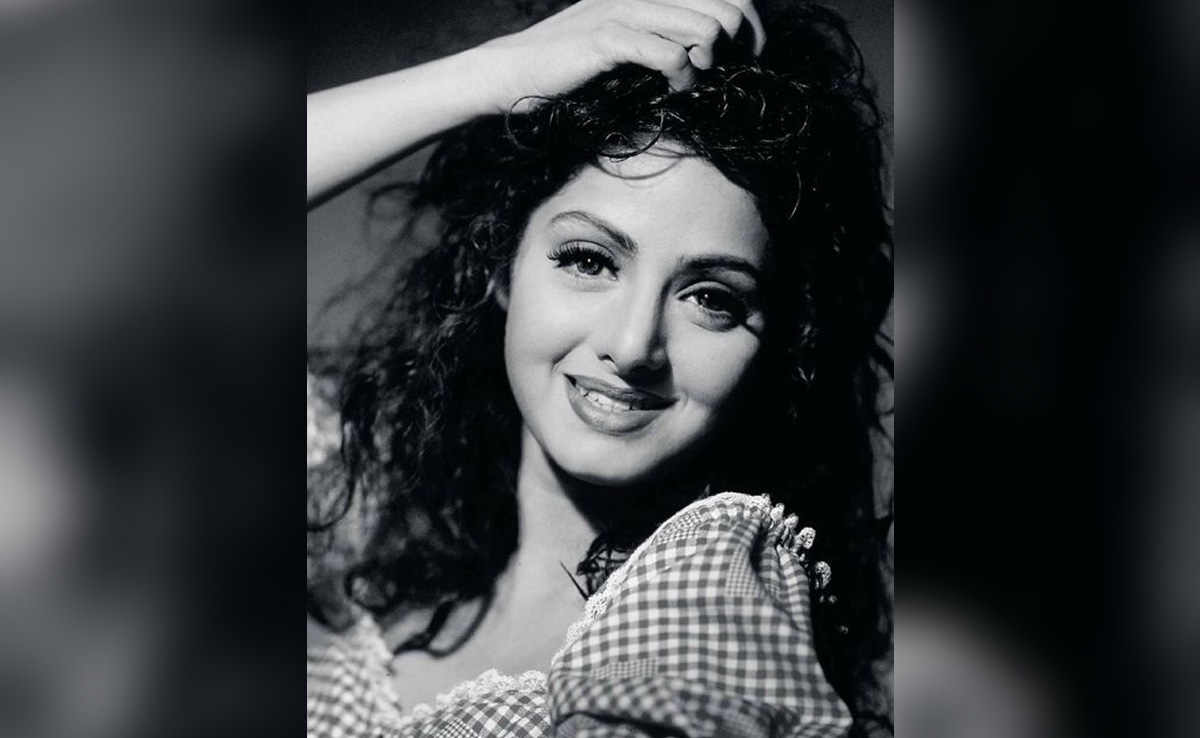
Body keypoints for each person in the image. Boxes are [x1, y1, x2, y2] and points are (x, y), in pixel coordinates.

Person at [306, 1, 893, 736]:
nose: (634, 344)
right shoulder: (365, 524)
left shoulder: (706, 591)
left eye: (712, 298)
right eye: (589, 260)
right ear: (500, 264)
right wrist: (495, 74)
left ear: (780, 345)